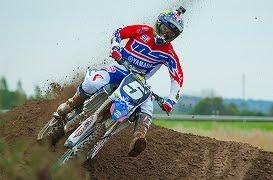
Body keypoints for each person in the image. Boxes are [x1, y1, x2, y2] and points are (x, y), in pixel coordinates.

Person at [51, 7, 186, 157]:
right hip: (120, 66)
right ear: (159, 24)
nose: (166, 34)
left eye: (171, 33)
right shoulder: (142, 30)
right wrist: (116, 47)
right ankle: (71, 104)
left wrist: (170, 101)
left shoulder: (169, 53)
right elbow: (118, 32)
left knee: (147, 104)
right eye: (165, 28)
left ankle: (138, 138)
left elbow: (177, 78)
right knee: (93, 82)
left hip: (138, 81)